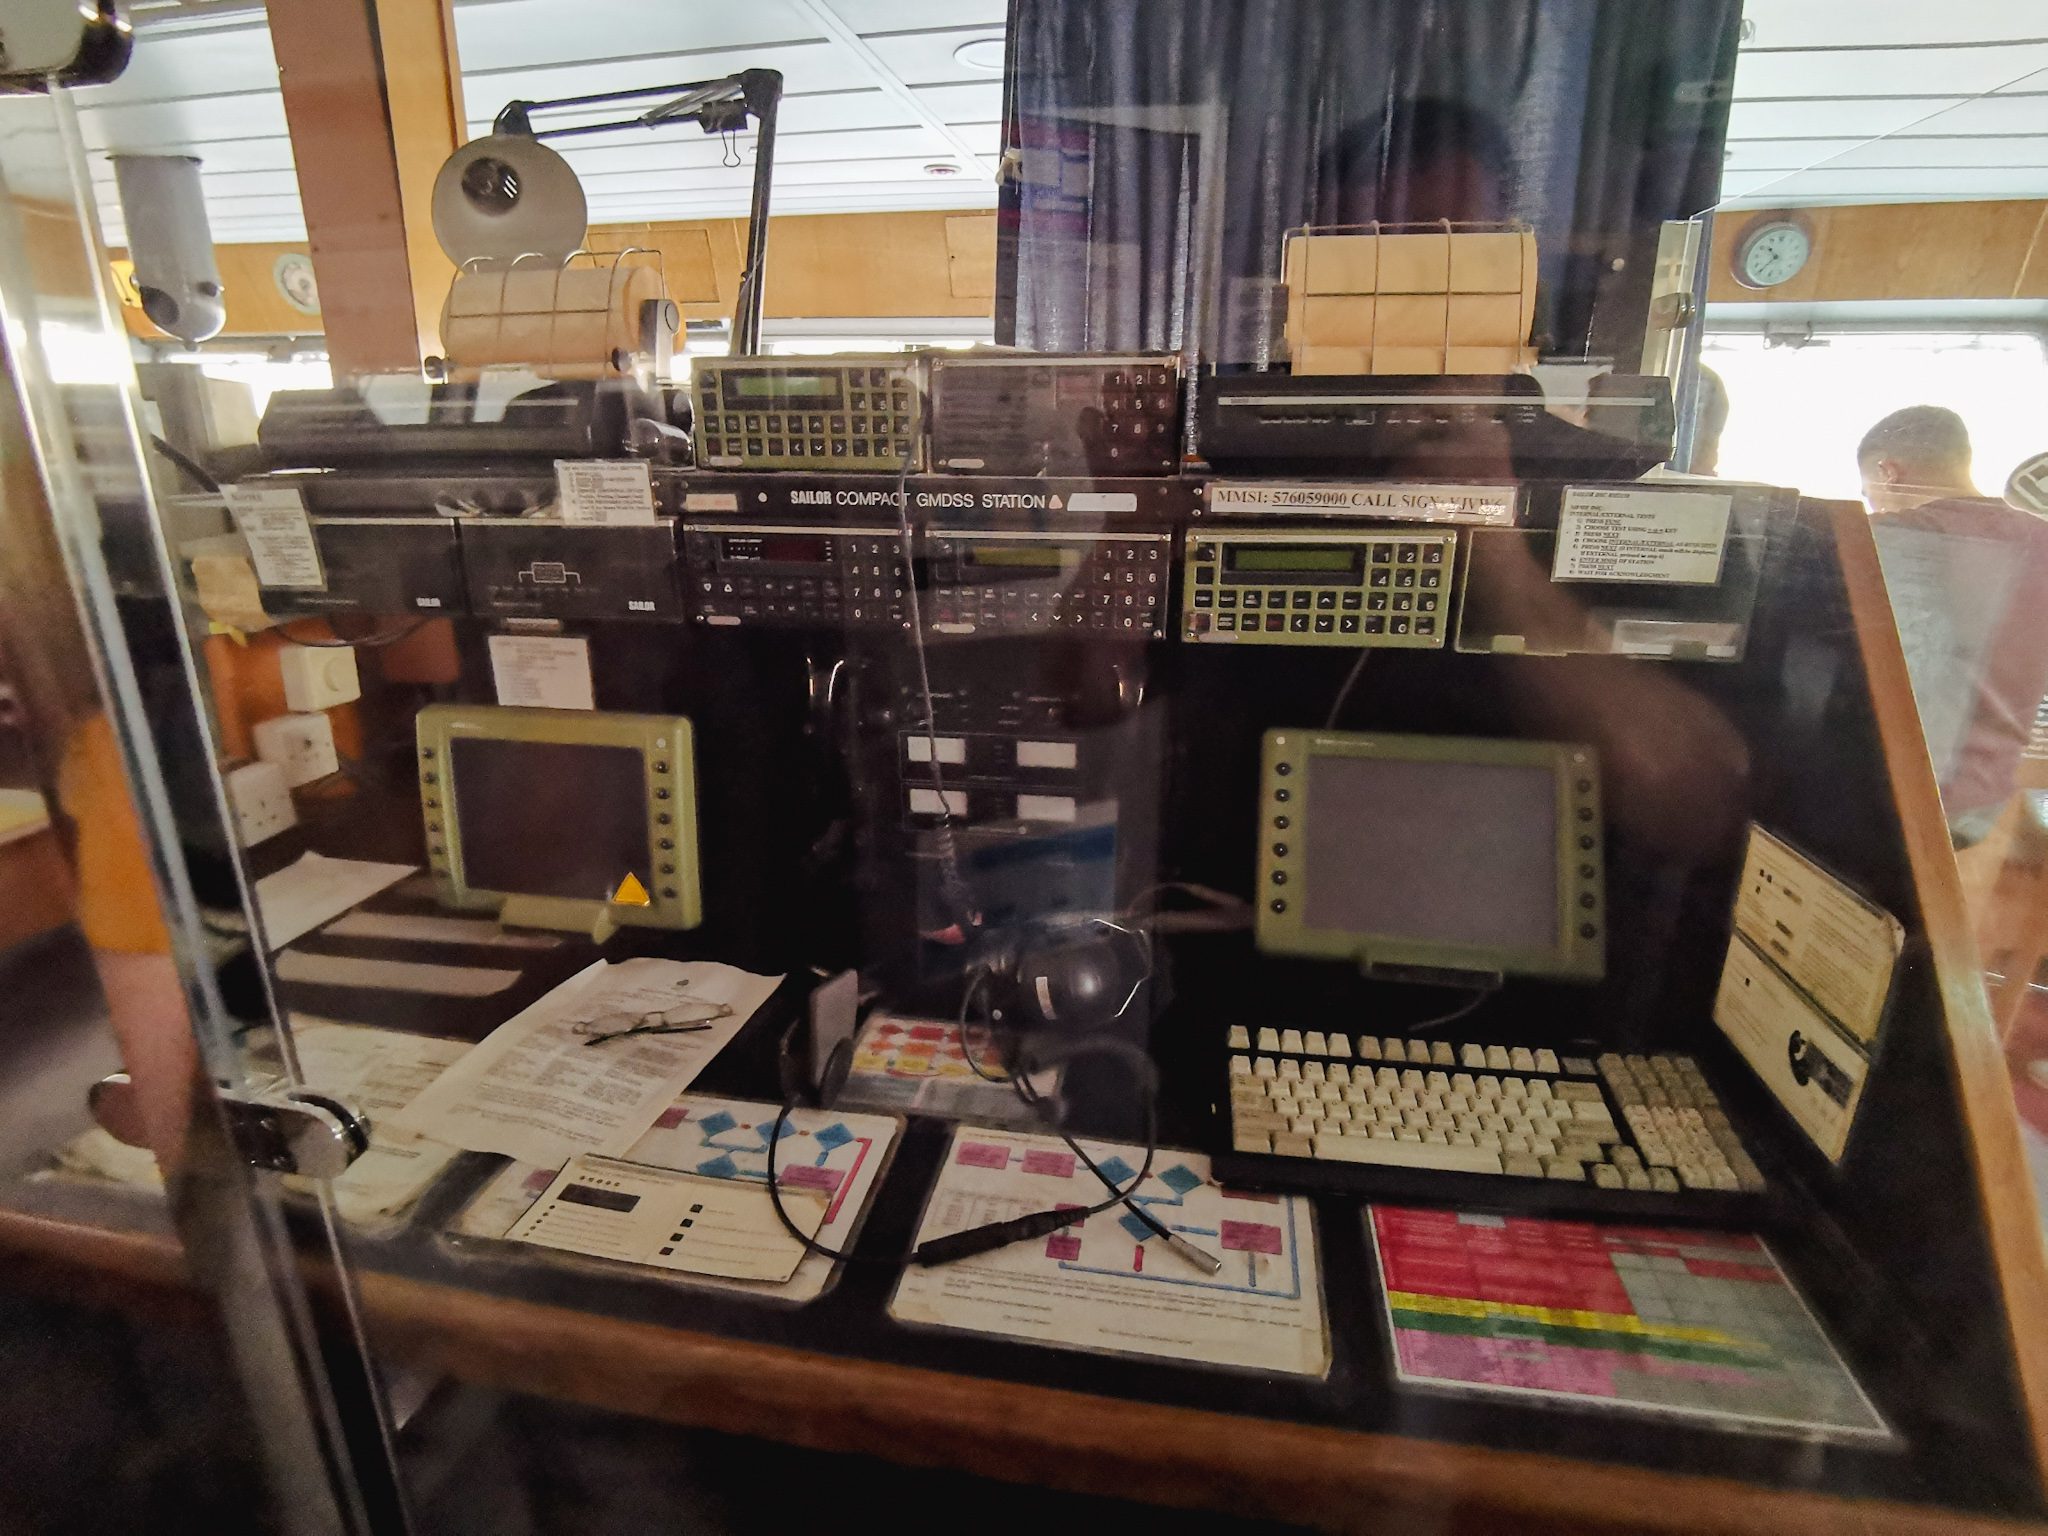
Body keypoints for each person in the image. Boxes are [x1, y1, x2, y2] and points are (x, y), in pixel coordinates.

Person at [1858, 406, 2048, 845]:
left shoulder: (1897, 538)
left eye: (1869, 493)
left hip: (1902, 799)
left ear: (1887, 471)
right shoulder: (2040, 541)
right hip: (1992, 807)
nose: (1874, 506)